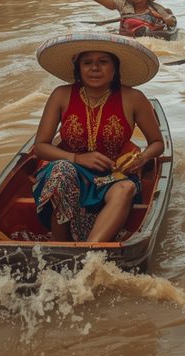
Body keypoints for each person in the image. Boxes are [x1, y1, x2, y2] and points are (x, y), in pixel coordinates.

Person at [30, 33, 166, 243]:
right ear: (79, 68)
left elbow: (157, 143)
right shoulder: (61, 95)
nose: (94, 68)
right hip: (69, 169)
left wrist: (142, 158)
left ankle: (89, 252)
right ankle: (60, 245)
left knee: (126, 188)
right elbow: (40, 146)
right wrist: (77, 158)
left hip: (115, 174)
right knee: (61, 171)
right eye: (87, 62)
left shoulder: (134, 98)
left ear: (115, 68)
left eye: (103, 62)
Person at [68, 0, 176, 36]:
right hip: (126, 35)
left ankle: (141, 31)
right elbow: (109, 3)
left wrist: (164, 18)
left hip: (146, 36)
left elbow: (170, 20)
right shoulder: (124, 5)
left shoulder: (156, 8)